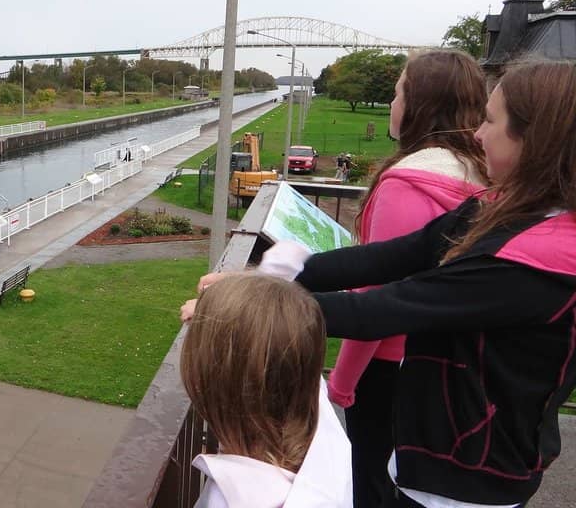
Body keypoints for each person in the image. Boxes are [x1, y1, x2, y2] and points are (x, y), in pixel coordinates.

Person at [192, 61, 576, 507]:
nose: (476, 134)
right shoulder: (504, 209)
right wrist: (287, 271)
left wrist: (240, 308)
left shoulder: (537, 263)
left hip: (468, 480)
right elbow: (394, 256)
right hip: (441, 449)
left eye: (491, 121)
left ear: (536, 139)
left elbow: (386, 308)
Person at [327, 49, 488, 508]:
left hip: (392, 369)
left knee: (373, 483)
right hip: (451, 364)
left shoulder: (411, 183)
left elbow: (379, 299)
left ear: (419, 105)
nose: (393, 104)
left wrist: (341, 383)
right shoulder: (480, 176)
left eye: (398, 93)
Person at [181, 273, 352, 508]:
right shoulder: (318, 420)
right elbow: (279, 337)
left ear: (211, 378)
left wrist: (219, 323)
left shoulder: (239, 498)